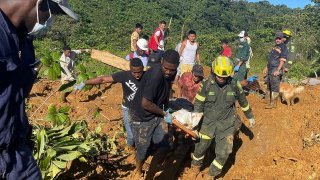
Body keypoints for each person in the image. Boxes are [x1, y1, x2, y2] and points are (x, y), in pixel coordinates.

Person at [0, 0, 78, 179]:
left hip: (17, 152)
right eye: (53, 14)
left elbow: (15, 95)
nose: (49, 22)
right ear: (40, 4)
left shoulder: (23, 42)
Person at [191, 56, 255, 179]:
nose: (221, 78)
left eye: (224, 77)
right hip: (207, 123)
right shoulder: (206, 84)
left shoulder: (234, 84)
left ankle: (211, 174)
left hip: (226, 123)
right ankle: (195, 167)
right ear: (213, 71)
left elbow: (243, 102)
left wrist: (250, 117)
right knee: (200, 148)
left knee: (224, 152)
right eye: (218, 75)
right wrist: (194, 124)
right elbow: (198, 104)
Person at [74, 58, 145, 152]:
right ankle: (130, 150)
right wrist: (84, 83)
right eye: (134, 72)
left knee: (143, 132)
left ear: (143, 68)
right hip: (127, 108)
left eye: (139, 72)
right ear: (130, 69)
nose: (137, 75)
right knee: (131, 135)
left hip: (141, 109)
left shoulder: (147, 76)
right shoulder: (124, 75)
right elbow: (102, 79)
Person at [129, 50, 180, 178]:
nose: (168, 72)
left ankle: (153, 167)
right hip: (141, 117)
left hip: (156, 114)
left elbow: (166, 91)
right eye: (166, 68)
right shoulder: (155, 75)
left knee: (165, 144)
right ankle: (138, 170)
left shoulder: (171, 74)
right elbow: (145, 103)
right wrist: (164, 113)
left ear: (177, 66)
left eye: (172, 70)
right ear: (161, 62)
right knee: (142, 149)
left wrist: (167, 109)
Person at [263, 32, 288, 109]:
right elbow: (271, 58)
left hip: (276, 69)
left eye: (279, 38)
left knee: (275, 86)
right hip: (270, 69)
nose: (277, 40)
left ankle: (273, 104)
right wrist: (266, 67)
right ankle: (268, 100)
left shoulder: (284, 47)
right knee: (269, 85)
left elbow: (282, 60)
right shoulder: (275, 47)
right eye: (277, 38)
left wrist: (278, 70)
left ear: (282, 39)